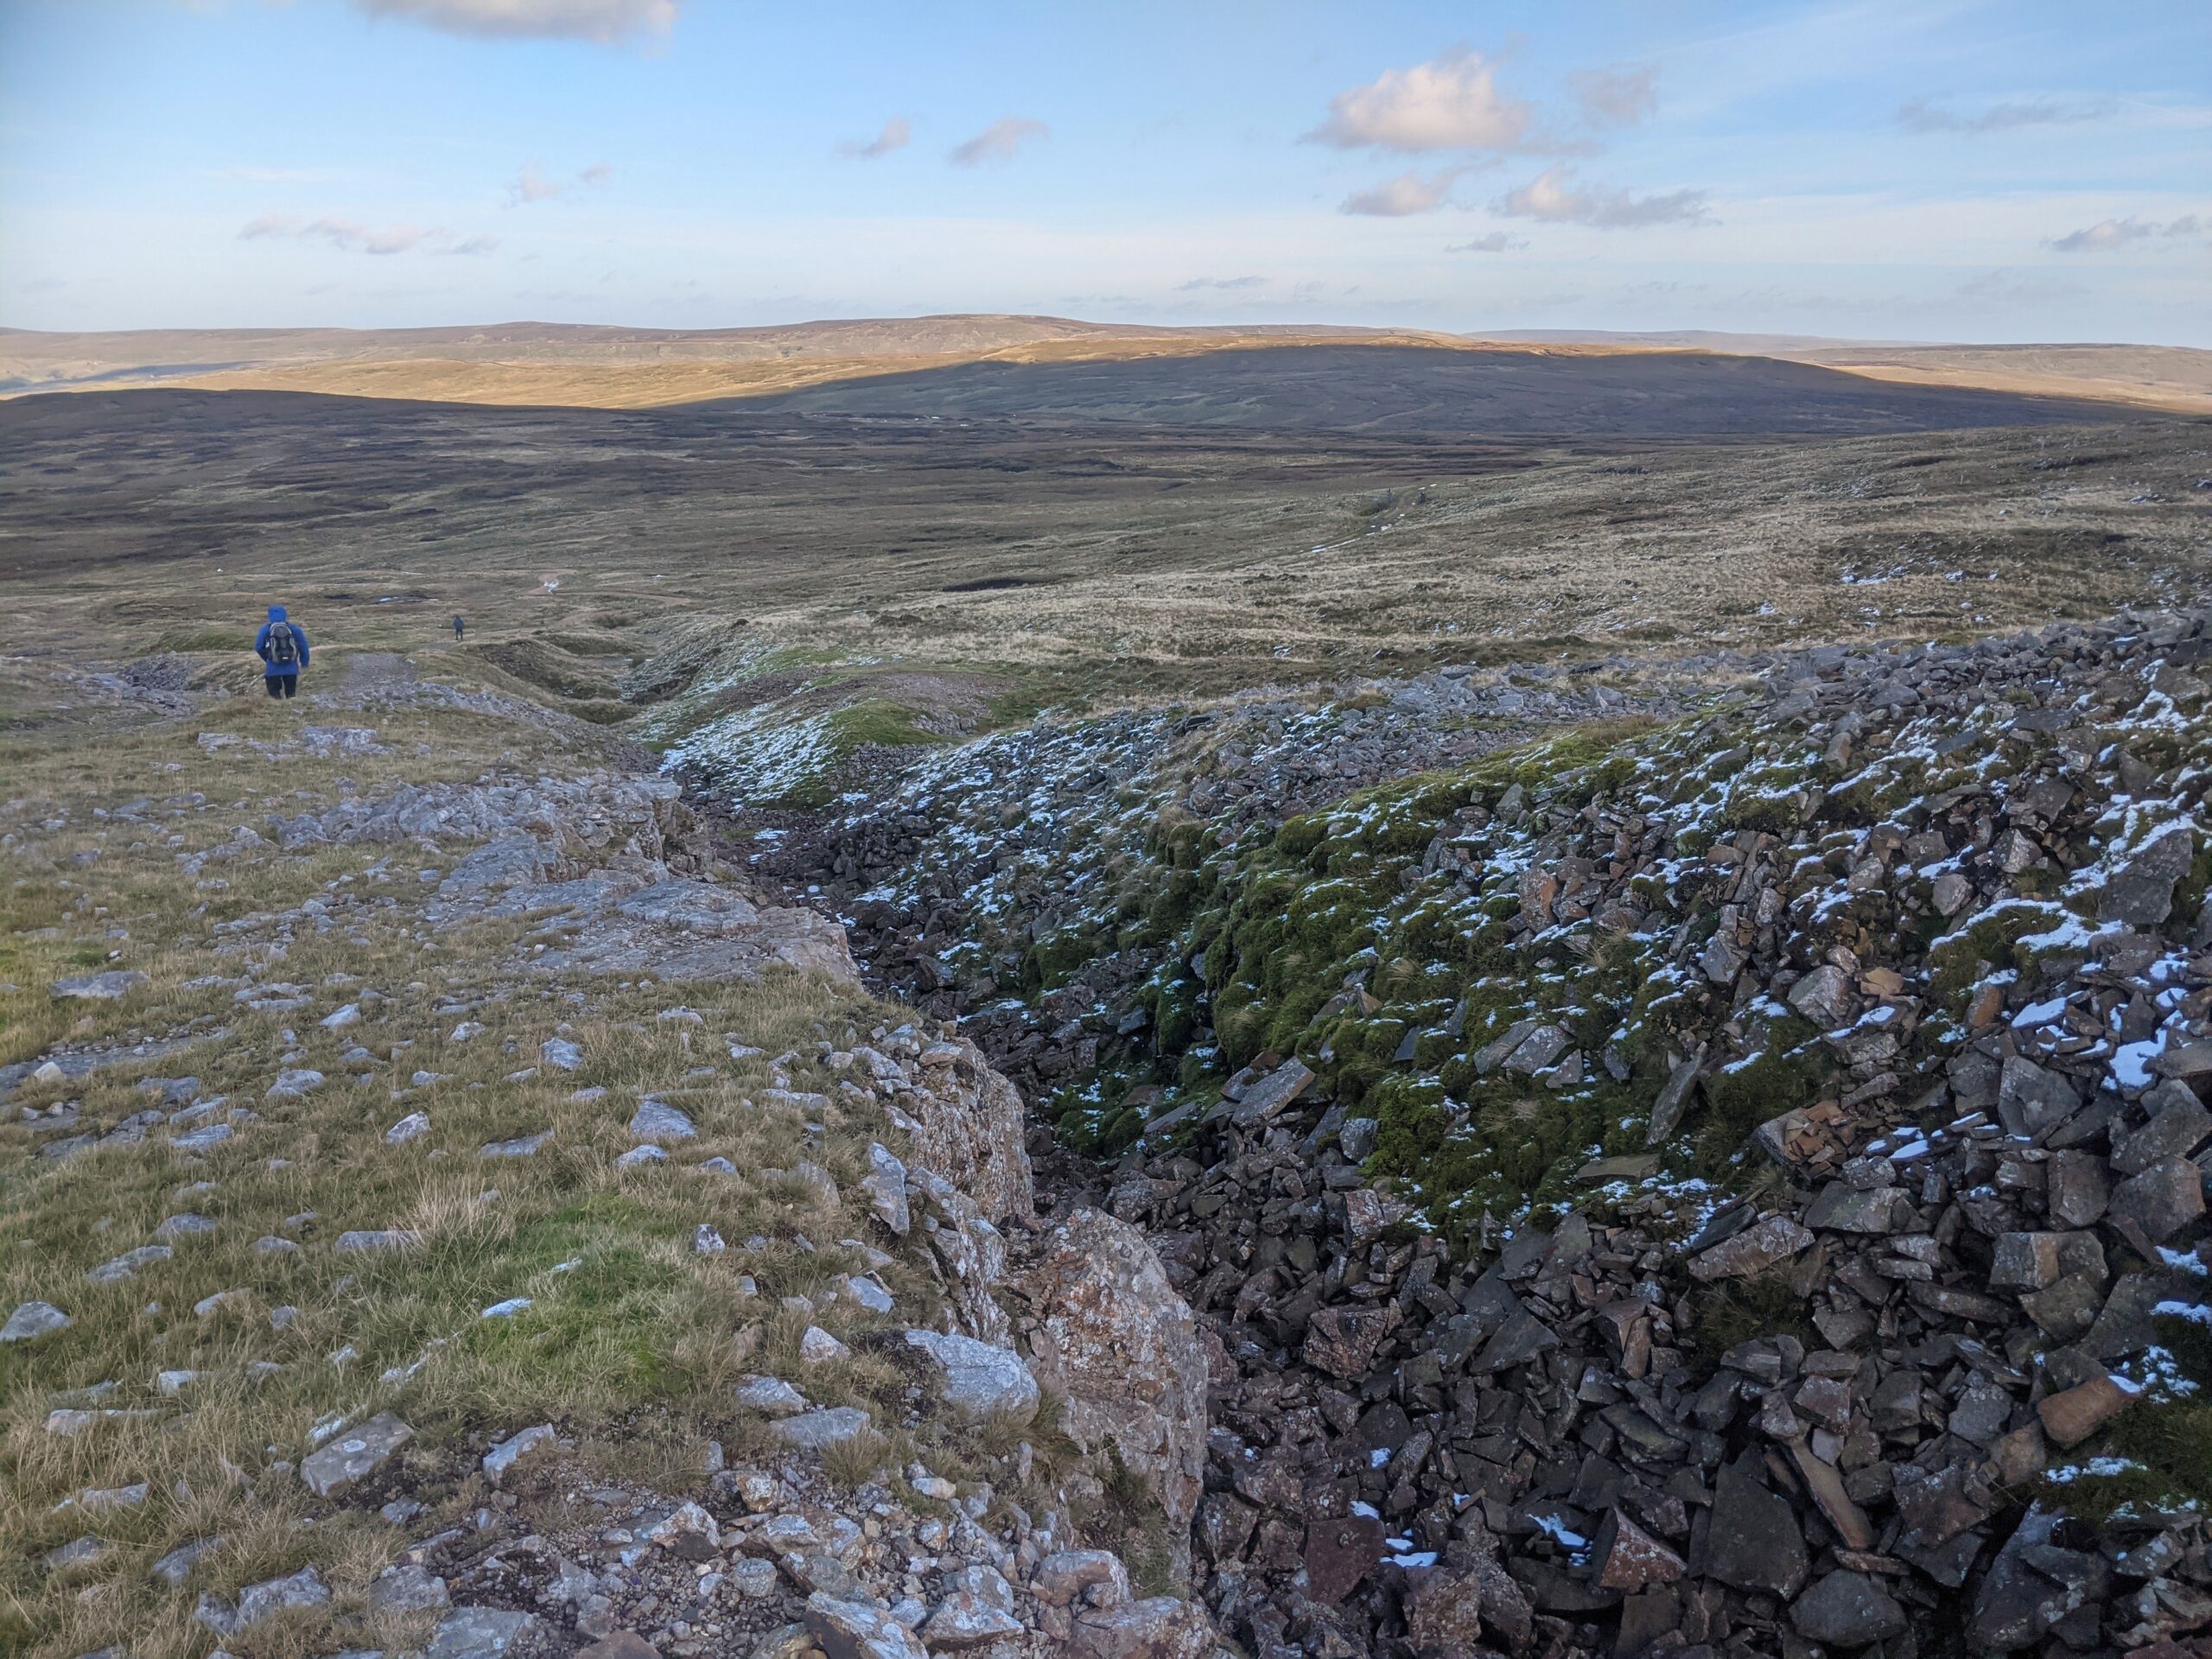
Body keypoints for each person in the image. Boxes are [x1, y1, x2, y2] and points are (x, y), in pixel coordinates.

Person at [255, 604, 309, 699]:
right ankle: (292, 712)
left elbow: (258, 647)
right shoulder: (294, 629)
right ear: (285, 614)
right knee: (291, 695)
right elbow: (303, 647)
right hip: (291, 669)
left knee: (274, 697)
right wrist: (304, 663)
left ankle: (277, 712)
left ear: (269, 615)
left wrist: (268, 658)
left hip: (272, 669)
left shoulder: (265, 629)